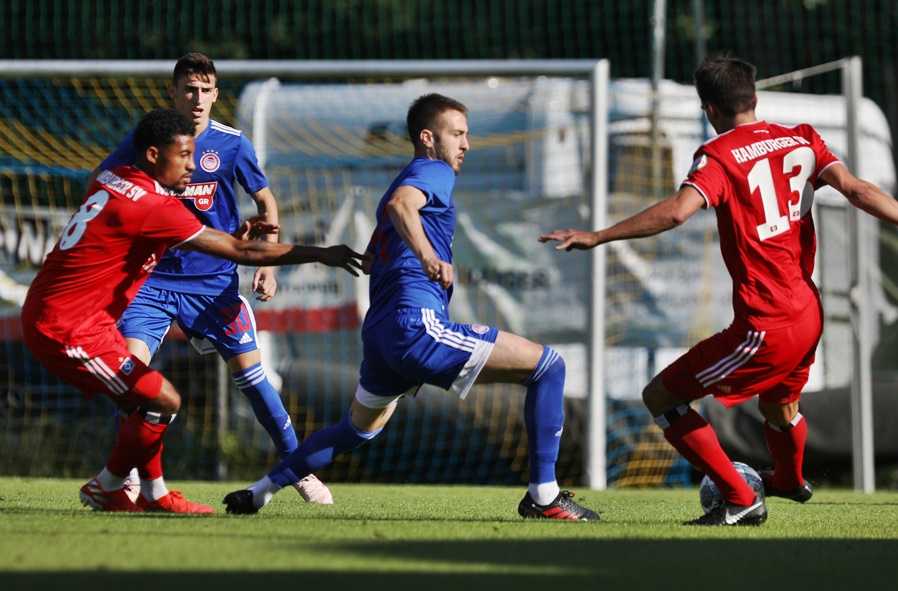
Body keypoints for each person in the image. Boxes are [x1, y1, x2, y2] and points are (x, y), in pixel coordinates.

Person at [540, 55, 898, 526]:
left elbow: (679, 211)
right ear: (755, 98)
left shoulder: (718, 155)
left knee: (661, 397)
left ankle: (740, 497)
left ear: (709, 109)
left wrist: (598, 236)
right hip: (809, 312)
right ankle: (788, 478)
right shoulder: (801, 139)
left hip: (766, 325)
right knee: (779, 405)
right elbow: (856, 189)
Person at [222, 93, 599, 521]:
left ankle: (259, 491)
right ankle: (545, 497)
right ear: (428, 138)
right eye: (457, 134)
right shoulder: (433, 171)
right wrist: (428, 257)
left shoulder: (406, 178)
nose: (466, 145)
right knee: (549, 366)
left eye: (467, 135)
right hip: (414, 326)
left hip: (382, 335)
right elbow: (403, 206)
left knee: (356, 430)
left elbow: (377, 246)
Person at [23, 108, 364, 514]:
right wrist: (323, 253)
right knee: (163, 399)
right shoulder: (154, 207)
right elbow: (242, 252)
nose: (192, 164)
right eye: (183, 155)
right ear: (152, 155)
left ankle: (152, 493)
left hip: (72, 314)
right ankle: (111, 485)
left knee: (149, 399)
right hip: (67, 329)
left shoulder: (110, 178)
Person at [87, 53, 334, 505]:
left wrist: (265, 263)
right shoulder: (151, 139)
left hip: (214, 283)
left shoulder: (233, 144)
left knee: (256, 380)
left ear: (216, 94)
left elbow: (266, 202)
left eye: (205, 90)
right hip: (153, 281)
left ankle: (298, 469)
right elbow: (105, 177)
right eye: (188, 88)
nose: (197, 98)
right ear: (173, 92)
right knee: (131, 376)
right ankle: (125, 479)